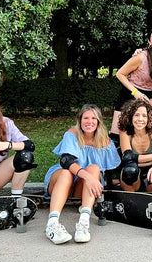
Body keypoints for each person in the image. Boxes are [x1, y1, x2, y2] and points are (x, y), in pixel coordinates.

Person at [44, 104, 120, 244]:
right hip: (62, 179)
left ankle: (83, 223)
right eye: (85, 118)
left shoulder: (105, 141)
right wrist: (88, 177)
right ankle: (52, 224)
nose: (89, 122)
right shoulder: (72, 134)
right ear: (79, 120)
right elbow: (66, 161)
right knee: (67, 173)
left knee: (95, 168)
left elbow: (108, 169)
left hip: (83, 186)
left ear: (99, 121)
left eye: (93, 118)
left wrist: (108, 184)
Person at [109, 27, 152, 148]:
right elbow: (119, 74)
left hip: (149, 94)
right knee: (116, 135)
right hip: (130, 91)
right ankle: (111, 163)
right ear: (149, 42)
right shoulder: (141, 57)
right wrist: (135, 92)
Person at [118, 99, 152, 200]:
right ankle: (132, 201)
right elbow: (128, 157)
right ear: (130, 117)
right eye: (136, 115)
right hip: (132, 177)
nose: (140, 119)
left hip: (151, 176)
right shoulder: (125, 131)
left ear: (149, 118)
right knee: (130, 169)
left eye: (144, 116)